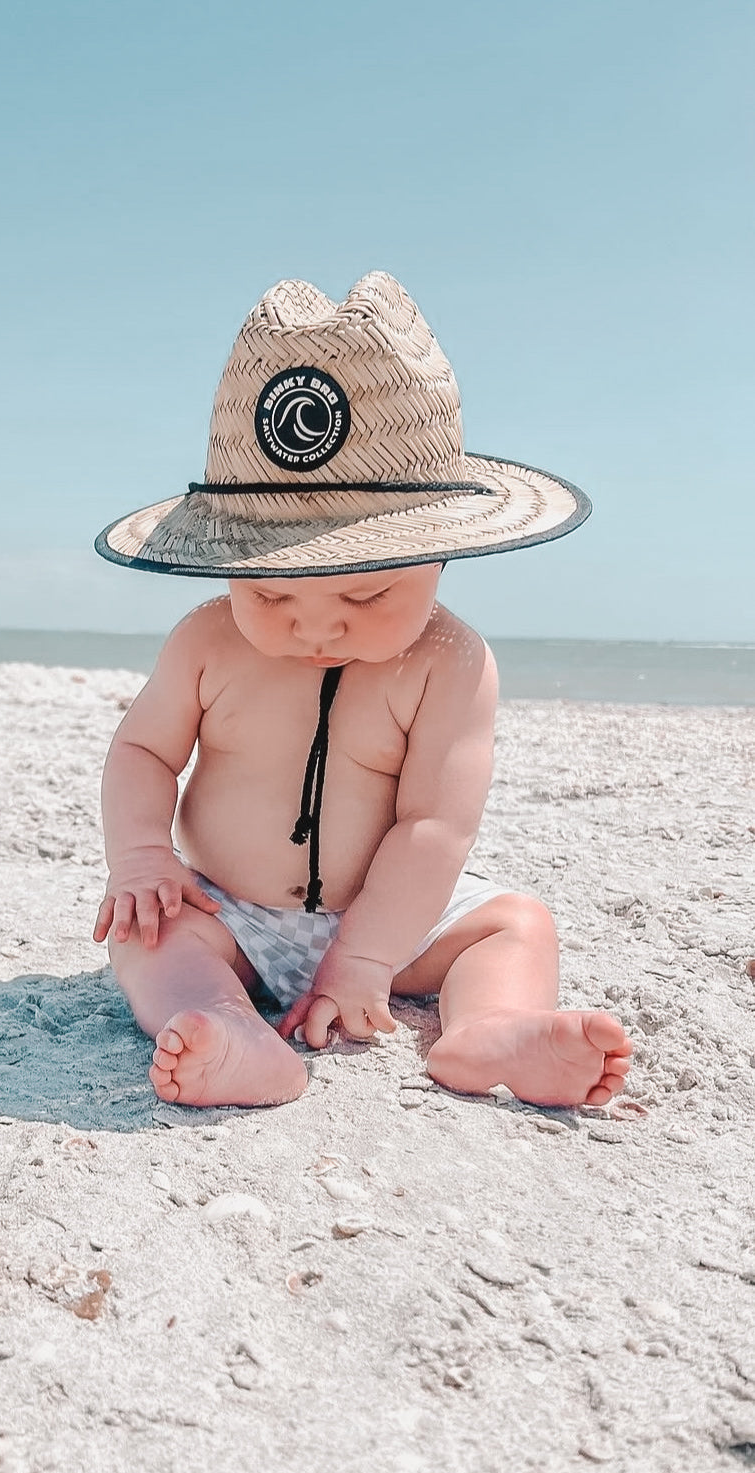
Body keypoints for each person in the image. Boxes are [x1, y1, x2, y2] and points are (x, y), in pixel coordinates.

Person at [91, 272, 633, 1110]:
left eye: (366, 594)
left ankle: (490, 1030)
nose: (316, 628)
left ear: (442, 554)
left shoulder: (451, 662)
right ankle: (227, 1025)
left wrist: (367, 958)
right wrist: (139, 855)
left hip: (396, 920)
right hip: (234, 914)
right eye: (271, 593)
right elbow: (143, 750)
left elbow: (433, 825)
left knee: (514, 922)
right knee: (151, 937)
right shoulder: (206, 639)